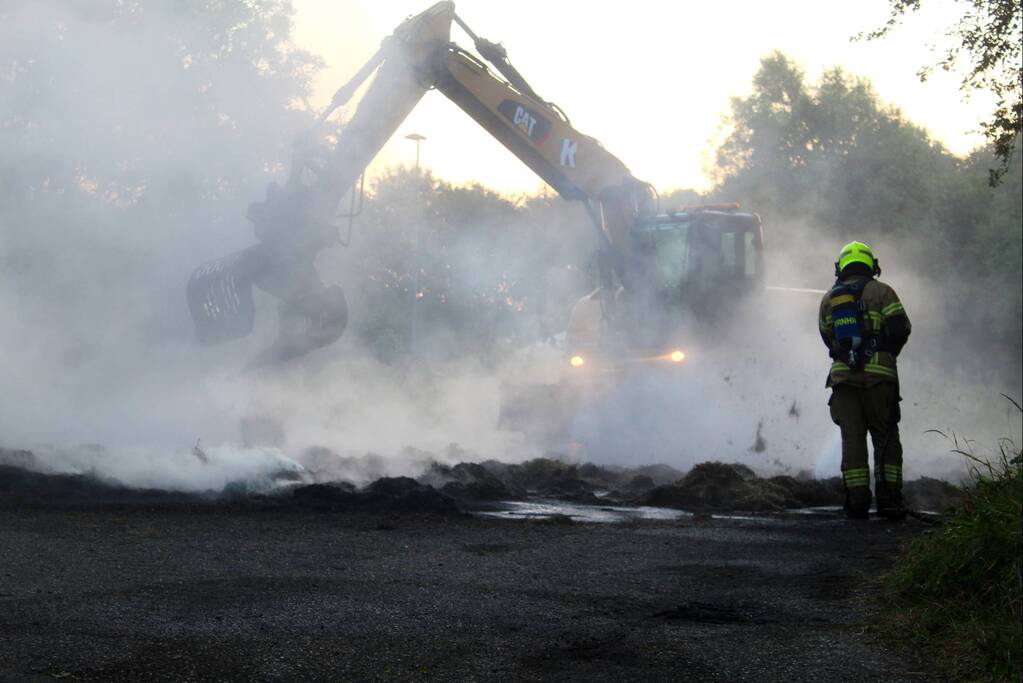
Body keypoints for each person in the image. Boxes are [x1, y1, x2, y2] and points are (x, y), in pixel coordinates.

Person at [819, 241, 911, 520]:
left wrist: (849, 356)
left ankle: (857, 503)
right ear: (872, 265)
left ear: (841, 267)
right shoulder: (883, 292)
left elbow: (827, 336)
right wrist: (884, 353)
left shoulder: (830, 299)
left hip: (844, 380)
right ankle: (889, 502)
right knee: (885, 439)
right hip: (880, 379)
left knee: (852, 440)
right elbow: (901, 329)